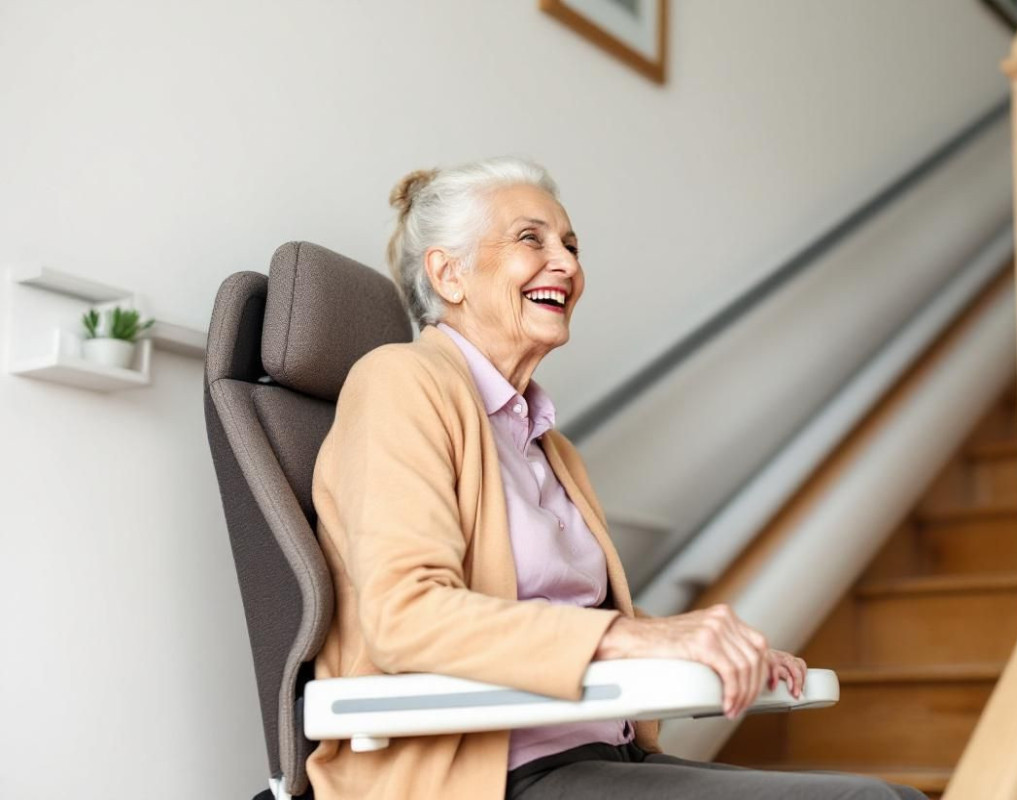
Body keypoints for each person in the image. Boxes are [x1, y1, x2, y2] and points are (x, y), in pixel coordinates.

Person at [306, 157, 925, 800]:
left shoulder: (545, 442)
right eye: (531, 239)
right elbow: (406, 615)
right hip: (488, 777)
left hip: (600, 754)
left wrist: (707, 647)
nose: (567, 264)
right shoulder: (399, 382)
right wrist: (642, 637)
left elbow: (568, 613)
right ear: (448, 273)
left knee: (896, 797)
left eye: (571, 245)